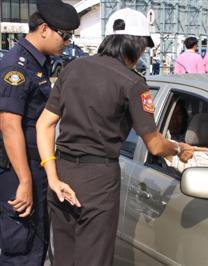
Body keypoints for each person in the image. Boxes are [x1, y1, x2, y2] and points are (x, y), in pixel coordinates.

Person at [35, 8, 191, 266]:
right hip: (98, 180)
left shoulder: (73, 68)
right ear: (136, 45)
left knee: (63, 258)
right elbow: (154, 145)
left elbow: (44, 125)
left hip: (61, 174)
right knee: (93, 258)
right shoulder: (133, 83)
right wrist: (178, 147)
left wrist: (52, 176)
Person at [0, 0, 79, 265]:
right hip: (18, 169)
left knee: (36, 245)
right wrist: (24, 181)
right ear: (44, 29)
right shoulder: (18, 67)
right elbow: (9, 125)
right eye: (65, 35)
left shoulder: (39, 62)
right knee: (21, 249)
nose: (67, 42)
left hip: (34, 166)